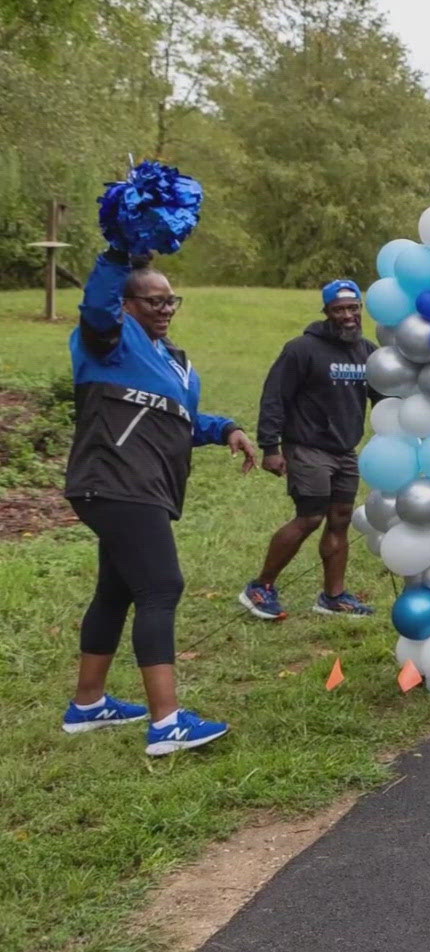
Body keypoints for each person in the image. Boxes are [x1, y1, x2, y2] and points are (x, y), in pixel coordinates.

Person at [61, 245, 259, 756]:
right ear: (127, 306)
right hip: (115, 480)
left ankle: (88, 705)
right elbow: (97, 304)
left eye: (172, 300)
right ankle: (167, 723)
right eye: (153, 301)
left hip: (142, 485)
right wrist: (118, 251)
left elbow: (179, 421)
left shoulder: (174, 363)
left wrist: (226, 430)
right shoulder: (108, 341)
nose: (165, 308)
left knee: (116, 589)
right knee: (160, 586)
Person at [240, 280, 377, 619]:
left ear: (361, 309)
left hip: (345, 449)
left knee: (340, 519)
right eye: (339, 309)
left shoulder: (368, 351)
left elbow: (384, 397)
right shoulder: (302, 349)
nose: (347, 315)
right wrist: (271, 447)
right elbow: (275, 396)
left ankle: (333, 597)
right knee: (310, 516)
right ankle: (261, 586)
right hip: (307, 446)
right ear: (327, 312)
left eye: (353, 308)